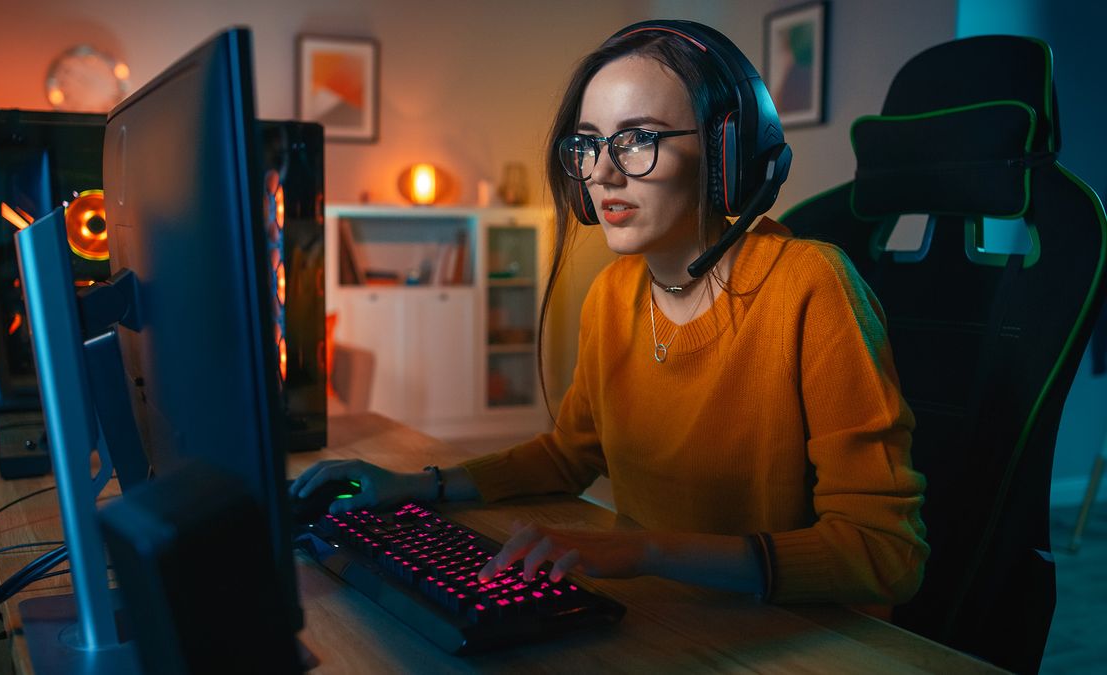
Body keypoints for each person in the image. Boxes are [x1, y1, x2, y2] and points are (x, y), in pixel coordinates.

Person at [292, 20, 928, 607]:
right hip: (669, 614)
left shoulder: (810, 286)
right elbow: (569, 456)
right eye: (590, 145)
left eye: (639, 139)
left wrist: (645, 550)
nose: (601, 174)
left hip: (796, 638)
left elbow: (885, 553)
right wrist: (417, 486)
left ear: (725, 154)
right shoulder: (613, 293)